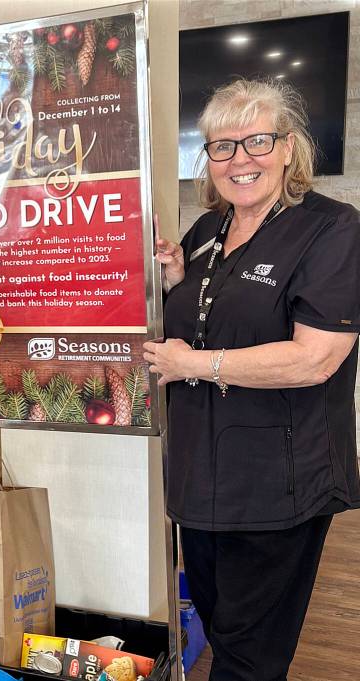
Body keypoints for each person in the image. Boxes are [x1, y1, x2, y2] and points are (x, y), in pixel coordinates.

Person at [145, 79, 360, 680]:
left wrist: (195, 364)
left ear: (289, 148)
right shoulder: (206, 233)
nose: (240, 160)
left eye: (257, 141)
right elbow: (204, 321)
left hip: (279, 483)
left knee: (248, 658)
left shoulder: (332, 228)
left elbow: (316, 357)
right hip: (200, 474)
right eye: (223, 146)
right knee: (221, 629)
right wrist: (170, 285)